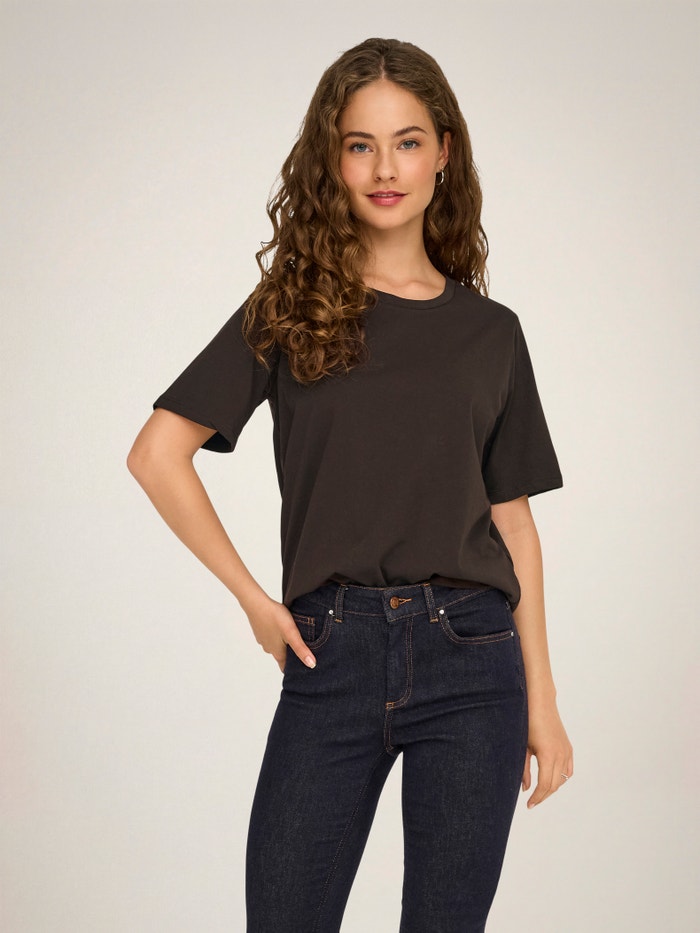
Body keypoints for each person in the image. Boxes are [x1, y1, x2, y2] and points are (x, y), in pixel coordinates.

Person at [127, 37, 573, 933]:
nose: (384, 168)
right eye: (359, 144)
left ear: (444, 152)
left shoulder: (491, 333)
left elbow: (512, 521)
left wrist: (545, 700)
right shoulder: (292, 305)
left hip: (474, 655)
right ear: (331, 159)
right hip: (331, 650)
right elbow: (156, 453)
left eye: (407, 142)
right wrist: (257, 602)